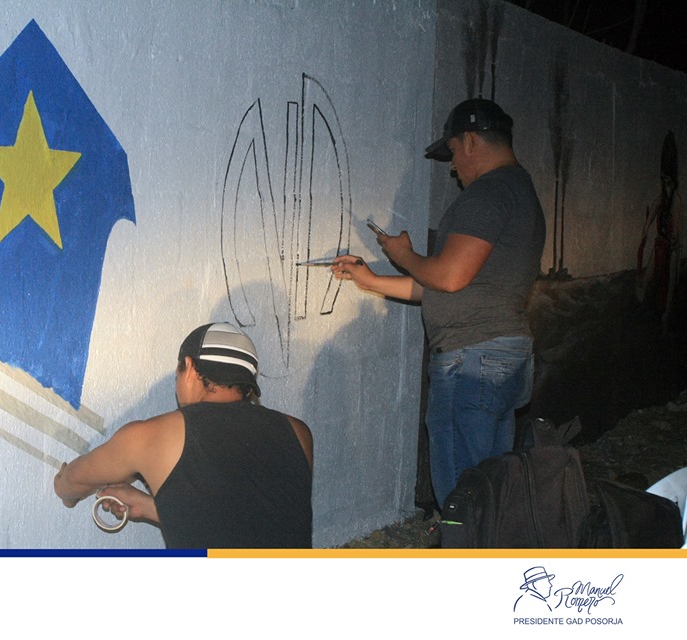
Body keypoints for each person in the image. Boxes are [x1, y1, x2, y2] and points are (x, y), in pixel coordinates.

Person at [331, 98, 545, 509]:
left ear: (470, 141)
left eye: (452, 152)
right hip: (498, 355)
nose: (452, 166)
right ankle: (485, 546)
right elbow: (447, 287)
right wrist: (371, 280)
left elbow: (448, 276)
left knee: (463, 495)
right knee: (488, 489)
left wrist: (403, 254)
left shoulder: (489, 192)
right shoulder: (519, 190)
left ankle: (465, 549)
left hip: (472, 360)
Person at [53, 322, 314, 548]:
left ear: (188, 368)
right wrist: (153, 508)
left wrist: (63, 487)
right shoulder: (297, 432)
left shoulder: (155, 435)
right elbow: (252, 519)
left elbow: (71, 484)